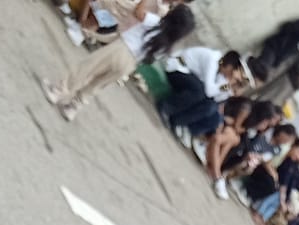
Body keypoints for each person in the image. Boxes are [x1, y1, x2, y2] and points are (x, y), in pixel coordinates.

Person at [40, 0, 194, 120]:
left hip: (121, 49)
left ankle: (58, 92)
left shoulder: (155, 22)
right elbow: (149, 60)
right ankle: (73, 107)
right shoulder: (167, 46)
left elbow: (139, 13)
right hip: (130, 65)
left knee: (87, 68)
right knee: (98, 84)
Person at [157, 47, 246, 137]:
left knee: (211, 105)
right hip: (178, 68)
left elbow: (216, 98)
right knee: (199, 92)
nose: (229, 77)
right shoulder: (213, 59)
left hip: (190, 79)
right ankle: (165, 107)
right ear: (229, 66)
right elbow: (209, 91)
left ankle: (177, 121)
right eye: (231, 73)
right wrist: (229, 85)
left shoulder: (221, 70)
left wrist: (231, 88)